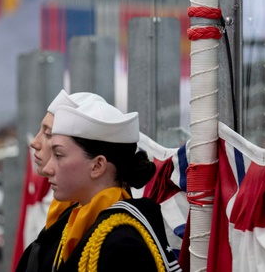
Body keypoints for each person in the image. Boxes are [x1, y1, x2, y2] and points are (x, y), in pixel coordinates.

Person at [18, 100, 178, 272]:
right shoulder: (74, 222)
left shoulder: (123, 246)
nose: (48, 169)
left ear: (97, 166)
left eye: (58, 155)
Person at [16, 90, 106, 272]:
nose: (34, 142)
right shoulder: (62, 207)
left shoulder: (112, 231)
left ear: (97, 165)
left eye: (48, 134)